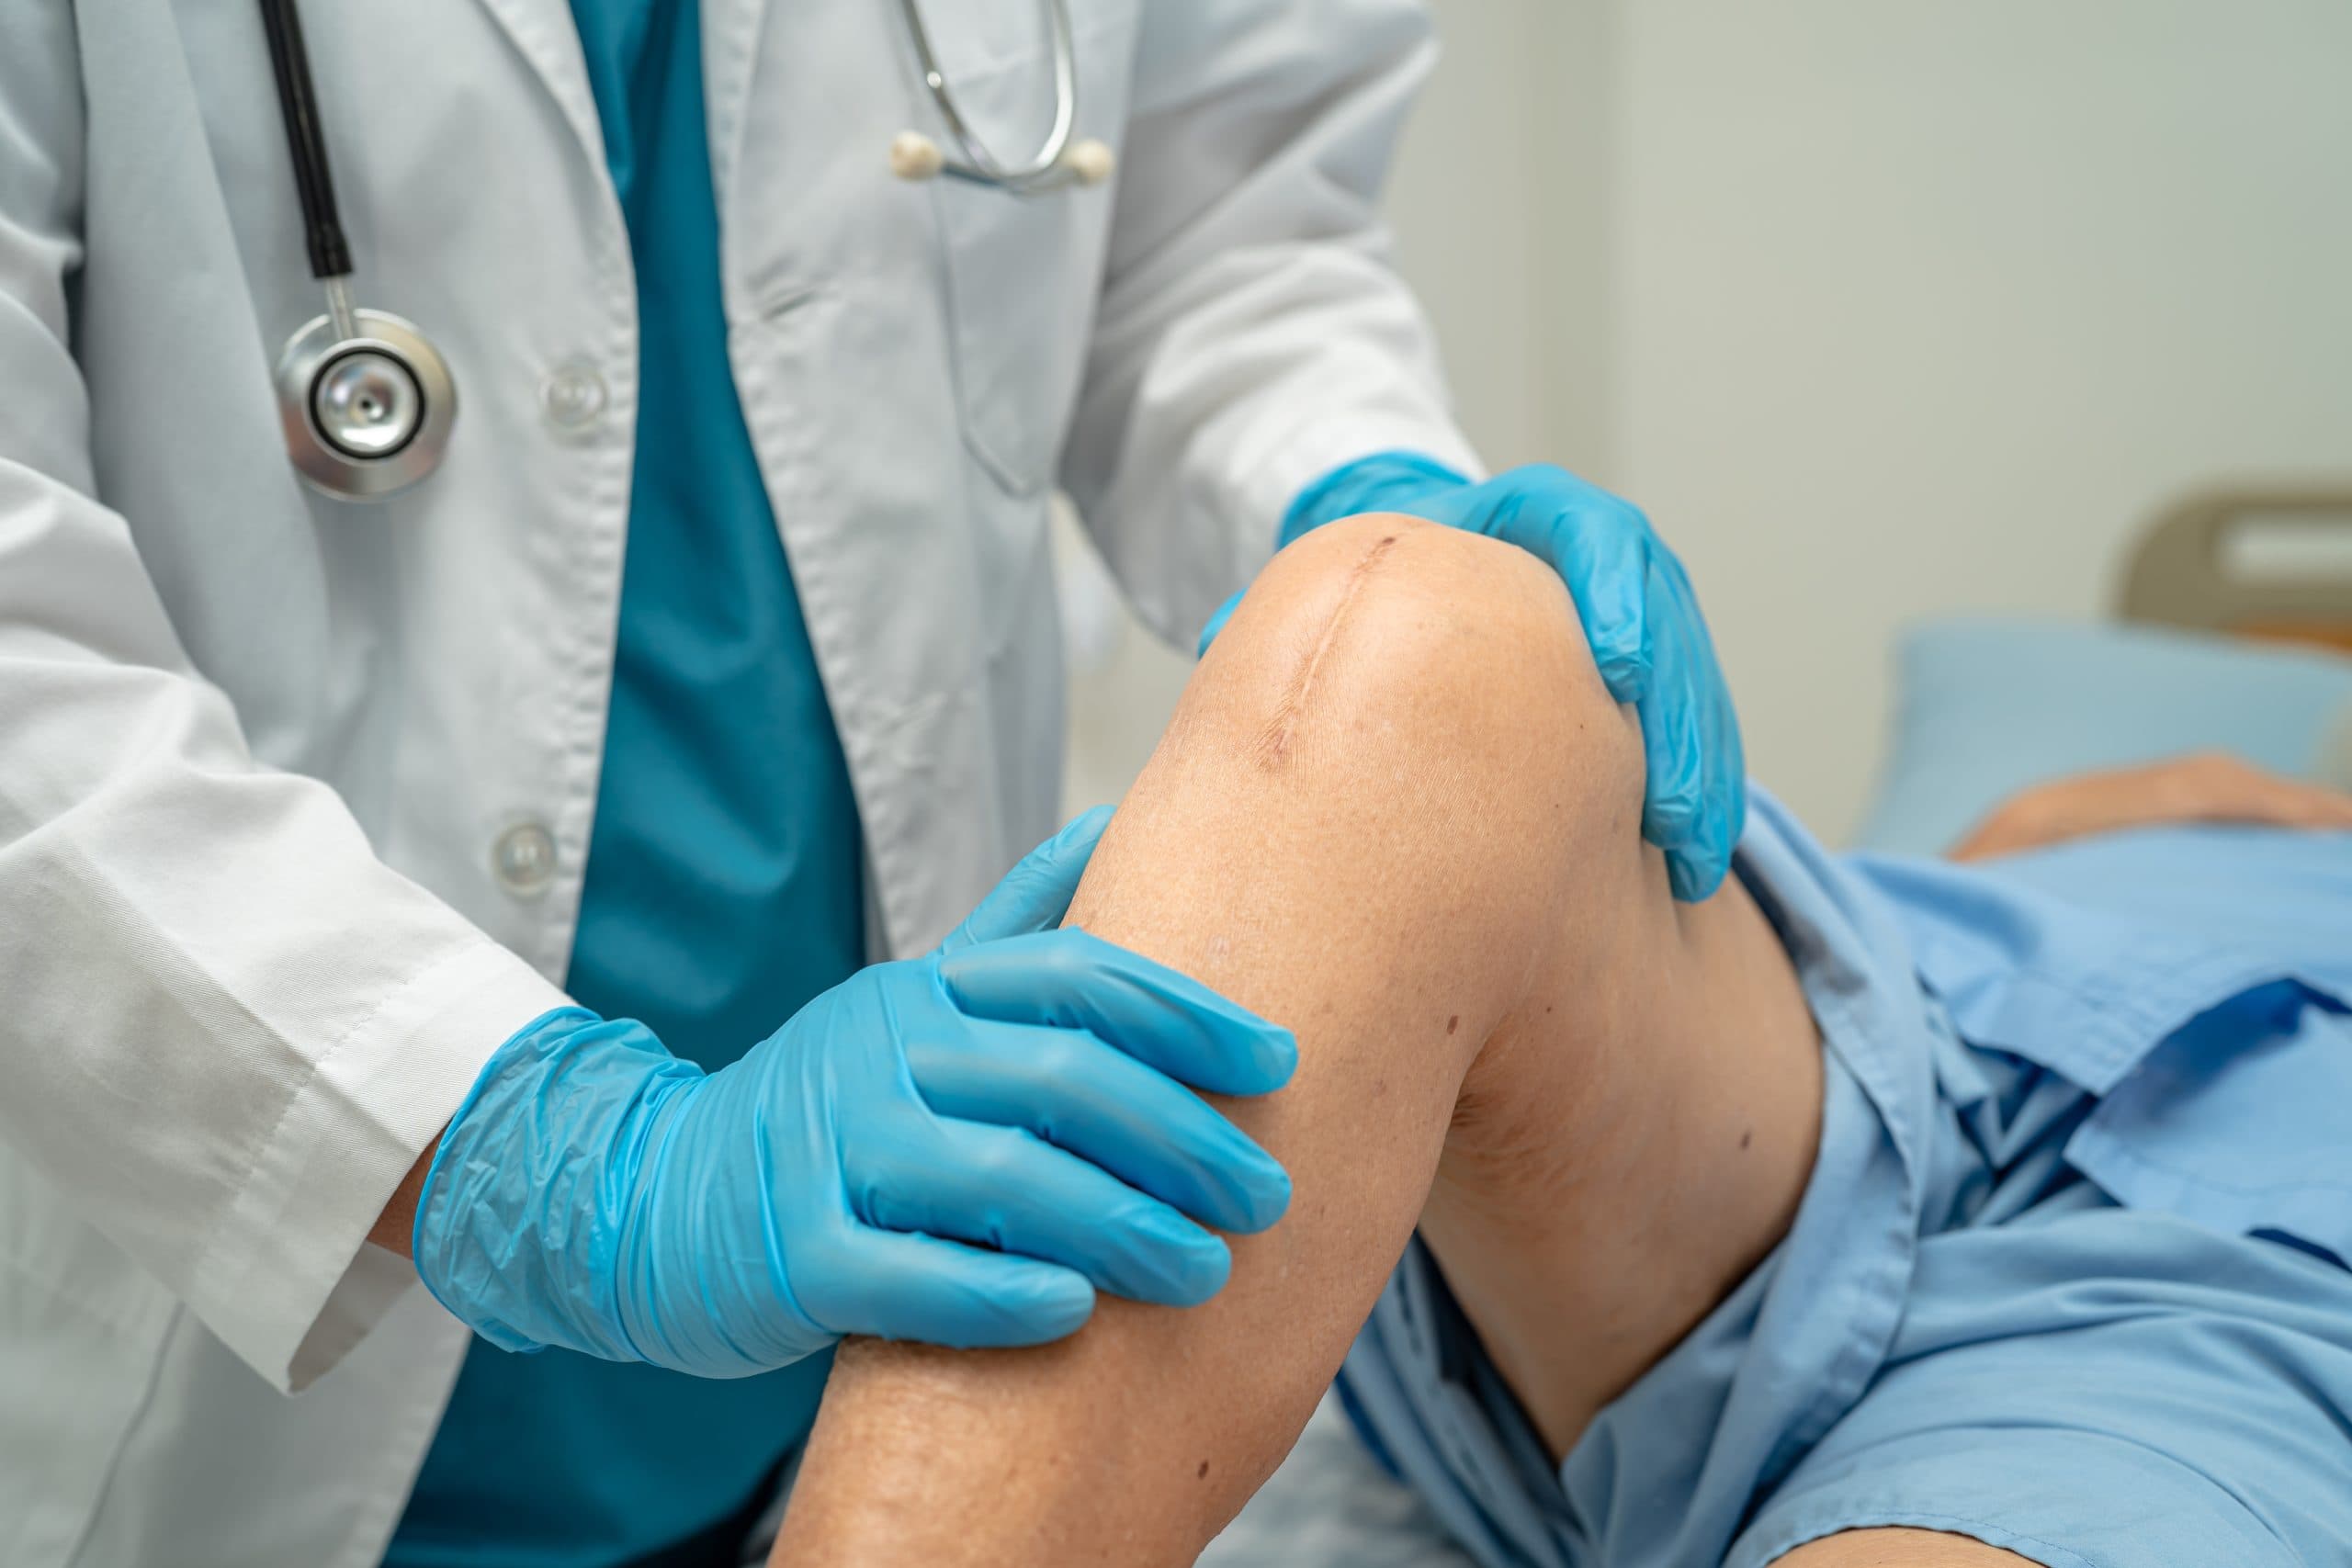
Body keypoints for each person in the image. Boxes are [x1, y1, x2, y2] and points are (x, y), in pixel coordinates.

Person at [0, 4, 1752, 1565]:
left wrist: (1352, 491)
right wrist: (550, 1158)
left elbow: (1213, 236)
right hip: (211, 1349)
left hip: (842, 1365)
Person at [763, 513, 2352, 1568]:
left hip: (2241, 1302)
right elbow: (1987, 866)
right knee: (1419, 632)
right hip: (1913, 1060)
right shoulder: (2207, 796)